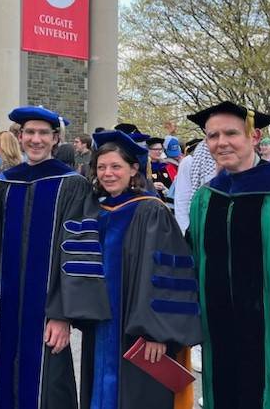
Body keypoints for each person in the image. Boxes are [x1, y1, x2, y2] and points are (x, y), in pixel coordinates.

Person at [186, 101, 270, 408]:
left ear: (255, 136)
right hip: (219, 333)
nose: (221, 142)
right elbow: (192, 265)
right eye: (213, 135)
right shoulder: (207, 197)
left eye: (231, 133)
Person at [0, 106, 102, 409]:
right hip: (6, 309)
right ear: (20, 137)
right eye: (30, 133)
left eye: (43, 134)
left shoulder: (71, 185)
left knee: (49, 384)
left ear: (55, 139)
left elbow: (78, 253)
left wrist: (63, 314)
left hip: (48, 310)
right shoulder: (4, 183)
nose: (35, 139)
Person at [80, 130, 200, 409]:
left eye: (116, 166)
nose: (108, 173)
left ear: (134, 169)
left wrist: (156, 333)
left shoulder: (152, 212)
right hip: (100, 328)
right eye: (101, 167)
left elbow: (166, 278)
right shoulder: (96, 211)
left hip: (140, 335)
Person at [146, 137, 174, 204]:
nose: (160, 152)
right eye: (156, 149)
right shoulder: (144, 167)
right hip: (151, 203)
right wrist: (151, 186)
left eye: (161, 149)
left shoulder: (166, 166)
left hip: (168, 204)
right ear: (148, 150)